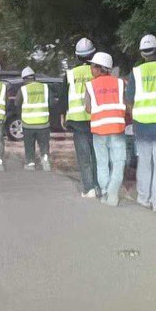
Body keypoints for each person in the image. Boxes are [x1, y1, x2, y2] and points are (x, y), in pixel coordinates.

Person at [126, 34, 156, 211]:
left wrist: (135, 117)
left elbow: (129, 100)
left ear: (142, 53)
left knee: (144, 162)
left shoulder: (136, 72)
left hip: (141, 124)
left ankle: (143, 198)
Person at [84, 52, 127, 207]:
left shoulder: (90, 85)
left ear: (99, 68)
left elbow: (88, 108)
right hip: (117, 129)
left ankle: (104, 191)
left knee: (102, 163)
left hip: (99, 130)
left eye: (92, 66)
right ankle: (113, 192)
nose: (90, 69)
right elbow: (125, 104)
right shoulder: (121, 83)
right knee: (119, 161)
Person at [61, 38, 98, 197]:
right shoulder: (98, 71)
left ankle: (88, 188)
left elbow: (63, 97)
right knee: (97, 154)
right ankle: (98, 186)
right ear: (93, 53)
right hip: (96, 118)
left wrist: (63, 116)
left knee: (84, 156)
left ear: (77, 56)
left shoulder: (70, 74)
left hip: (77, 120)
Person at [17, 66, 51, 171]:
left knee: (29, 145)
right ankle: (45, 160)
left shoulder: (23, 89)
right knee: (44, 144)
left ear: (25, 79)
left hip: (28, 124)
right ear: (34, 77)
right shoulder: (45, 87)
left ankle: (30, 163)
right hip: (43, 123)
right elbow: (52, 102)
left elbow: (17, 103)